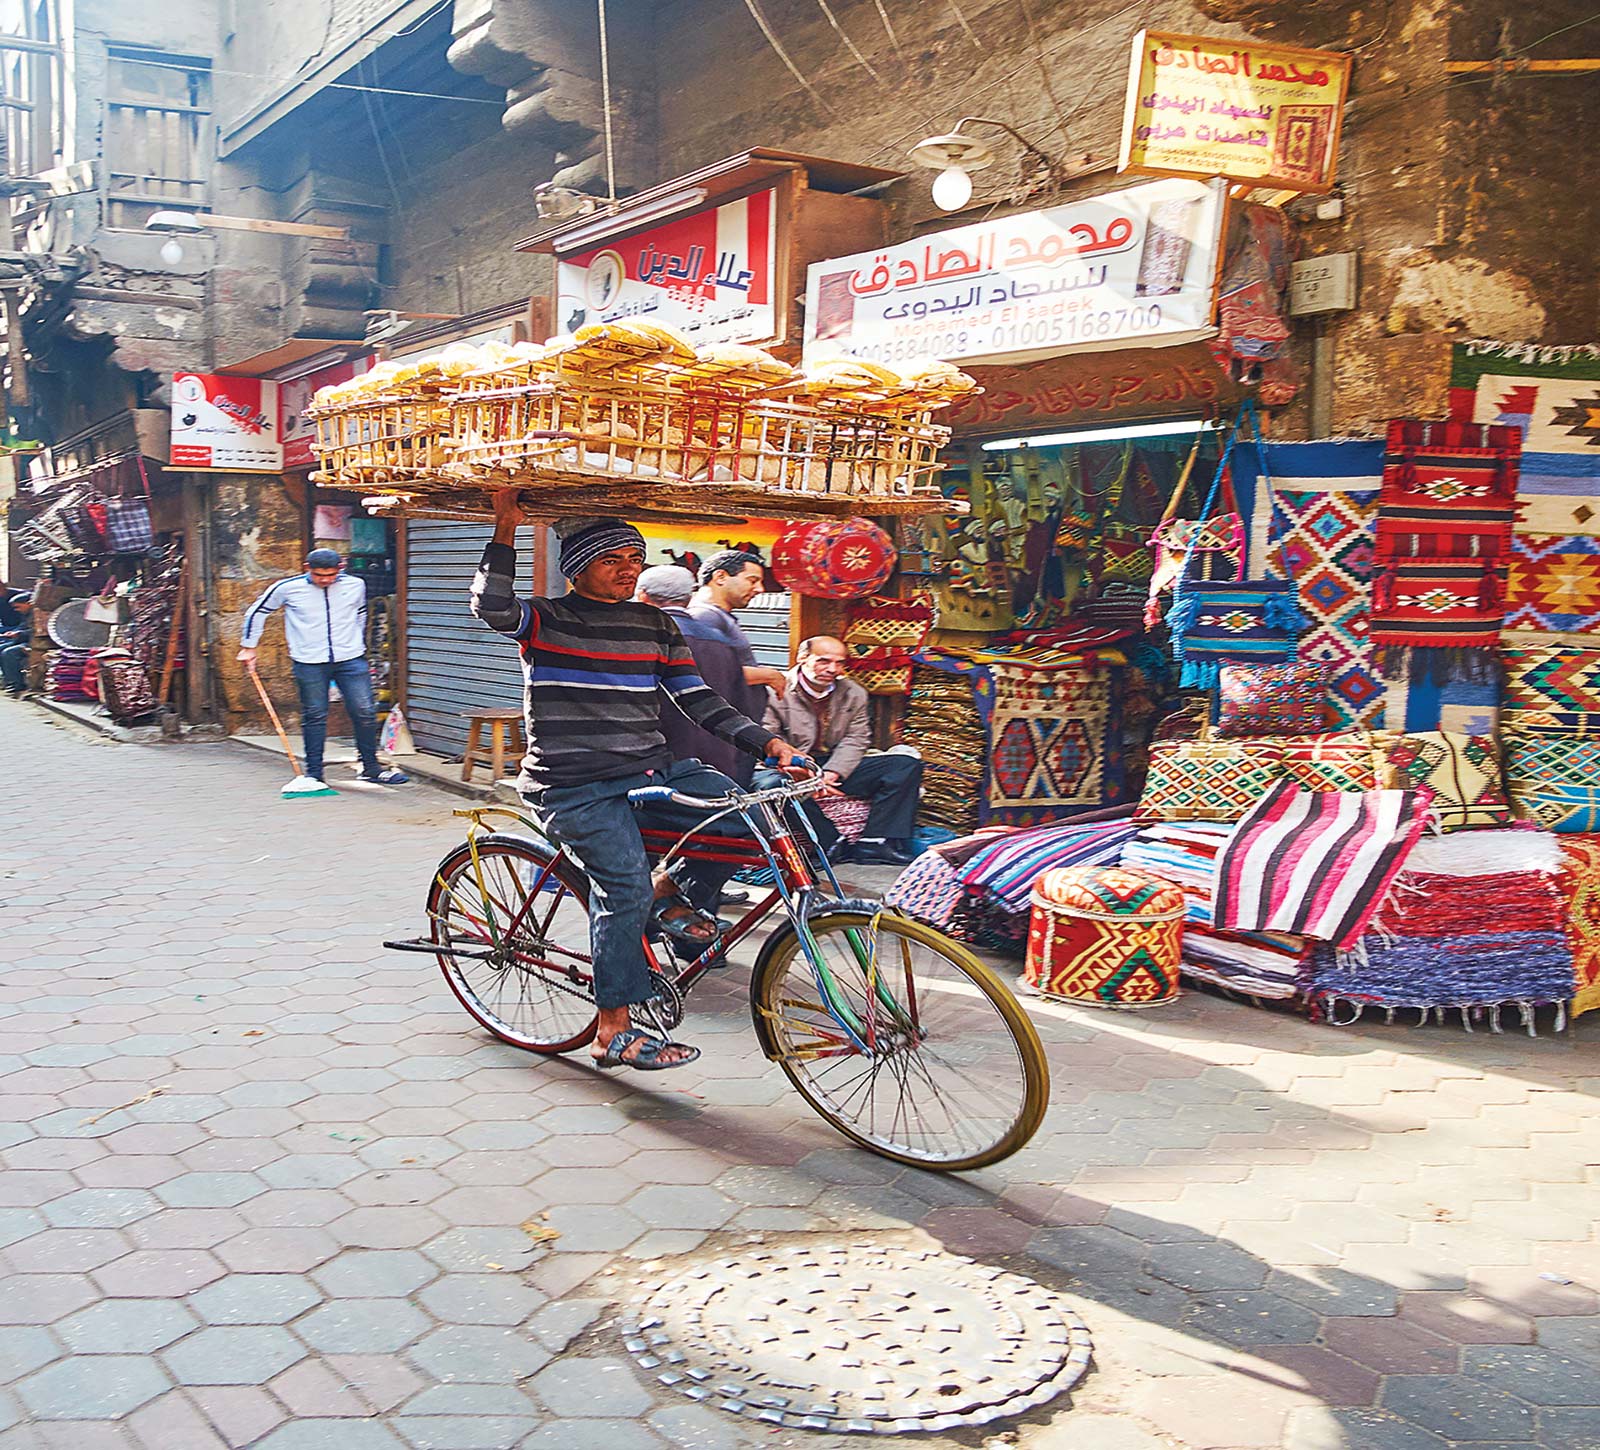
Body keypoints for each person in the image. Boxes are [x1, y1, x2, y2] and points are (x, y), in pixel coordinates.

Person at [470, 492, 803, 1072]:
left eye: (634, 557)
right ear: (578, 567)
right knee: (620, 890)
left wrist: (767, 742)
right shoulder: (547, 618)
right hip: (572, 785)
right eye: (613, 558)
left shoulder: (654, 622)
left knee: (744, 812)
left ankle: (663, 892)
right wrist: (506, 526)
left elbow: (697, 699)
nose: (628, 567)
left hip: (651, 768)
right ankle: (613, 1031)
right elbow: (492, 605)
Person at [237, 547, 408, 786]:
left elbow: (359, 613)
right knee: (315, 714)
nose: (325, 580)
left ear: (340, 568)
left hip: (350, 658)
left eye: (331, 575)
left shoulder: (355, 585)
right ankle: (314, 774)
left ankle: (370, 767)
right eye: (319, 575)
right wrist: (249, 646)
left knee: (365, 711)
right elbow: (258, 612)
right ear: (308, 569)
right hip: (309, 660)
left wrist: (355, 641)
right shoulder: (286, 588)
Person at [764, 634, 924, 866]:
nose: (833, 669)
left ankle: (874, 842)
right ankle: (830, 843)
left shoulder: (853, 692)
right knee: (771, 787)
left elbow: (856, 738)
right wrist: (805, 775)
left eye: (839, 663)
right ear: (802, 658)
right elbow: (768, 739)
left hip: (832, 763)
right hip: (790, 765)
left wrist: (832, 774)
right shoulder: (774, 691)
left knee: (904, 765)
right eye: (823, 661)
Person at [636, 563, 759, 787]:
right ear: (689, 598)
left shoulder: (637, 641)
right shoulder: (720, 642)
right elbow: (743, 709)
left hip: (658, 774)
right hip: (719, 768)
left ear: (643, 597)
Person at [689, 549, 788, 701]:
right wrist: (768, 675)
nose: (760, 589)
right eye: (752, 580)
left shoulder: (716, 616)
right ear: (720, 577)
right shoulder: (705, 617)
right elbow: (709, 672)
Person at [0, 583, 32, 697]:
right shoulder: (26, 615)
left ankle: (17, 684)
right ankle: (9, 681)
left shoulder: (38, 615)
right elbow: (23, 626)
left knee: (9, 653)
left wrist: (20, 633)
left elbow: (38, 633)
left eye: (18, 607)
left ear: (28, 604)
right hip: (23, 639)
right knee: (1, 648)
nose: (16, 610)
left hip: (34, 643)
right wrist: (14, 632)